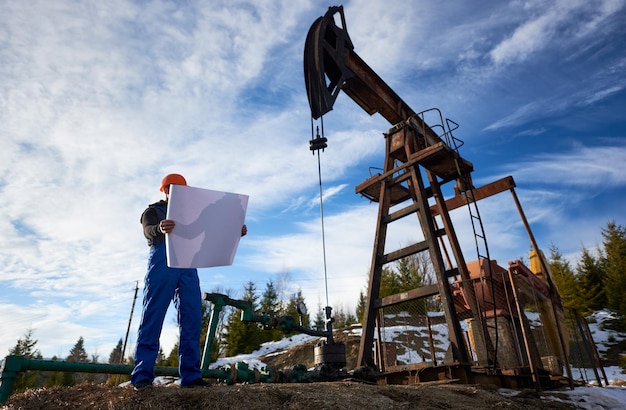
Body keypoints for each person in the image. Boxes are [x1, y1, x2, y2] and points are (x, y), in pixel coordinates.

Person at [131, 173, 247, 389]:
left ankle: (191, 377)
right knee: (153, 316)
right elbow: (148, 231)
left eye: (179, 188)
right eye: (170, 188)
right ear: (164, 191)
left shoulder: (192, 213)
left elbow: (209, 233)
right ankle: (142, 376)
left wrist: (234, 232)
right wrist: (159, 229)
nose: (173, 191)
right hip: (162, 263)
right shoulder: (153, 211)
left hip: (188, 264)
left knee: (192, 317)